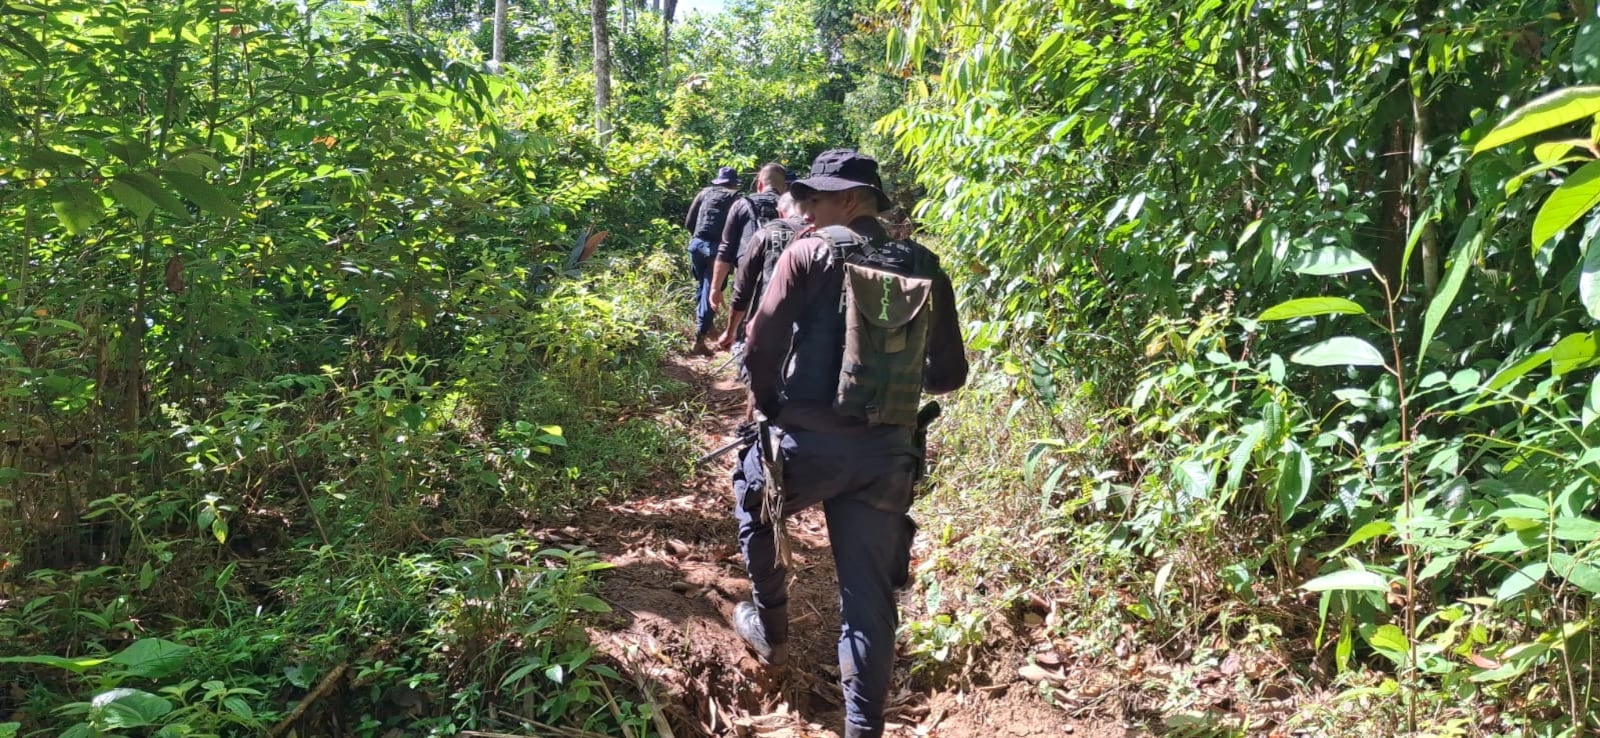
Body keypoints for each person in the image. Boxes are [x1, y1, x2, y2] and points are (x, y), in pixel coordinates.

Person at [732, 149, 968, 738]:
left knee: (754, 506)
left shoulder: (807, 253)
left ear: (853, 199)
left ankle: (773, 632)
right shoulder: (924, 264)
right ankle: (863, 728)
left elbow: (760, 342)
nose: (807, 208)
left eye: (820, 196)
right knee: (868, 593)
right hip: (886, 454)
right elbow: (950, 374)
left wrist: (772, 407)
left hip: (804, 446)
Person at [713, 191, 803, 353]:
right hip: (814, 326)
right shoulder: (824, 234)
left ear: (780, 211)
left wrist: (731, 330)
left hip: (769, 316)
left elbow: (743, 288)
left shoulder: (766, 233)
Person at [710, 162, 789, 316]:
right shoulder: (791, 208)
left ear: (759, 185)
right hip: (780, 277)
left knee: (742, 326)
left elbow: (726, 248)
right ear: (785, 188)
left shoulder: (742, 204)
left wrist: (716, 287)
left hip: (745, 276)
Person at [682, 166, 741, 355]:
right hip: (717, 251)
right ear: (734, 183)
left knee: (703, 286)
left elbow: (689, 222)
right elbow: (737, 231)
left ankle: (706, 325)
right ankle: (700, 337)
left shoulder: (704, 193)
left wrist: (698, 239)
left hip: (696, 245)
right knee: (711, 290)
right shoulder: (736, 199)